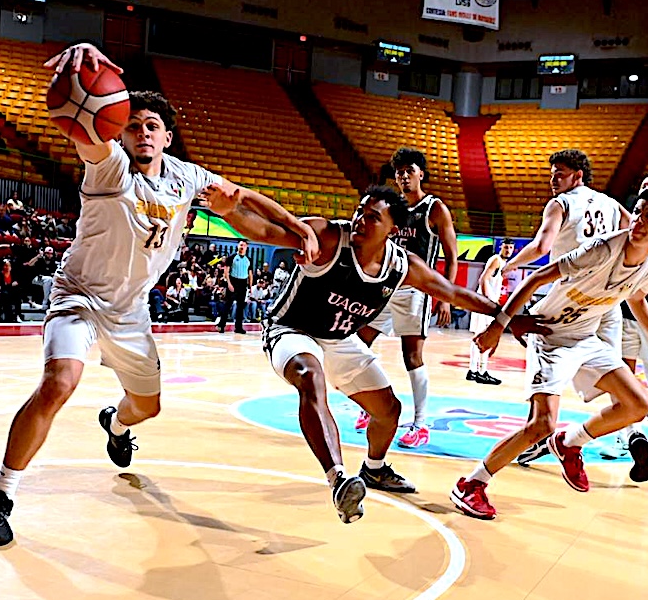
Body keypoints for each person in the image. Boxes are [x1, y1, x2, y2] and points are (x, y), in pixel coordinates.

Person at [0, 42, 317, 548]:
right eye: (132, 125)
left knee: (147, 408)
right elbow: (84, 132)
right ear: (118, 130)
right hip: (80, 297)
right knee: (58, 382)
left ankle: (115, 424)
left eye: (152, 126)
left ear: (167, 137)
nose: (142, 132)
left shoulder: (188, 177)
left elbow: (242, 199)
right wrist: (82, 74)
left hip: (130, 312)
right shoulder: (109, 166)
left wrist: (298, 230)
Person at [203, 182, 546, 523]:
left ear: (392, 231)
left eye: (372, 217)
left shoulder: (402, 265)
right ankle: (339, 480)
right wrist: (229, 211)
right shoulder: (329, 237)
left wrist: (507, 318)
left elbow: (453, 293)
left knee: (389, 410)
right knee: (310, 376)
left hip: (339, 340)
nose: (360, 220)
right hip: (292, 329)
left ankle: (374, 469)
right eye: (359, 212)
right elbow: (267, 230)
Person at [459, 187, 648, 520]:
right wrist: (498, 326)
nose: (638, 221)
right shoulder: (602, 248)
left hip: (585, 337)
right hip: (550, 334)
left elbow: (636, 296)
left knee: (638, 404)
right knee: (540, 425)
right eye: (637, 212)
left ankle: (570, 443)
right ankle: (473, 484)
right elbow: (537, 278)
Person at [509, 171, 648, 469]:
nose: (640, 215)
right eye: (641, 193)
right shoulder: (618, 219)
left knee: (643, 381)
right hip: (588, 300)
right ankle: (618, 433)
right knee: (618, 375)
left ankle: (645, 431)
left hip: (625, 308)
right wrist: (504, 320)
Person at [353, 147, 459, 450]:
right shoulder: (391, 207)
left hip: (415, 290)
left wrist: (446, 297)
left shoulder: (435, 208)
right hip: (385, 285)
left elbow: (451, 257)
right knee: (358, 344)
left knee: (412, 356)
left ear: (421, 173)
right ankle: (372, 404)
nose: (403, 176)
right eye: (399, 172)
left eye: (409, 170)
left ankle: (421, 424)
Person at [468, 239, 514, 385]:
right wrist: (488, 301)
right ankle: (481, 372)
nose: (508, 250)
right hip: (485, 304)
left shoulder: (502, 263)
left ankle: (472, 371)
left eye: (510, 248)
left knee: (478, 337)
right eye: (506, 247)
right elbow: (483, 279)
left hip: (483, 303)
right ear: (501, 247)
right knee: (486, 337)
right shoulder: (496, 260)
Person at [219, 240, 252, 333]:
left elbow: (250, 274)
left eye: (244, 245)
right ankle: (221, 325)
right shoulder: (232, 257)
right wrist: (229, 284)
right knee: (228, 304)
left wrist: (250, 286)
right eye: (240, 245)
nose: (242, 247)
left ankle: (238, 327)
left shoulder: (248, 259)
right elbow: (226, 271)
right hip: (233, 281)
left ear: (246, 247)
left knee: (240, 307)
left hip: (243, 283)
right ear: (238, 246)